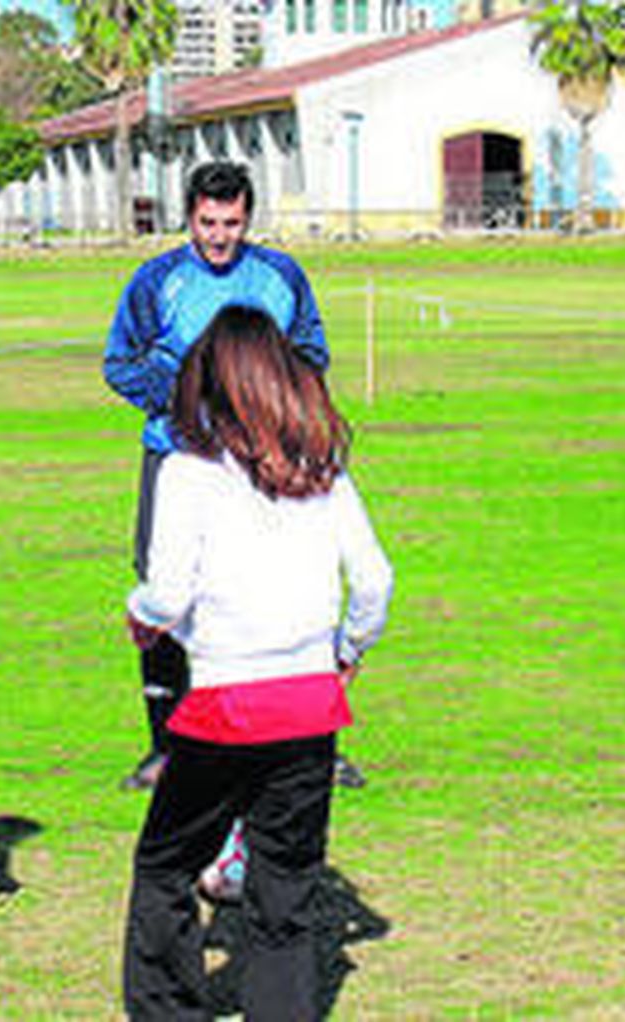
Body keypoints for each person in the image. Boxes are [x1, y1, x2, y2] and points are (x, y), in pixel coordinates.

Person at [121, 306, 392, 1021]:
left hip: (226, 701)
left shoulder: (187, 472)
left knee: (166, 865)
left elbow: (168, 593)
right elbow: (374, 582)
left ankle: (168, 1011)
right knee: (286, 885)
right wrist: (347, 650)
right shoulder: (322, 470)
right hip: (308, 703)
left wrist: (140, 614)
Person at [103, 160, 329, 790]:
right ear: (190, 218)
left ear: (247, 219)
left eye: (231, 224)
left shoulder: (281, 276)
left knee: (278, 585)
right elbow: (120, 363)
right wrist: (186, 400)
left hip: (263, 458)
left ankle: (303, 739)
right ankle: (165, 746)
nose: (219, 237)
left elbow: (312, 353)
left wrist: (266, 401)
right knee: (164, 589)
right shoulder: (156, 281)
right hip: (177, 457)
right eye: (208, 223)